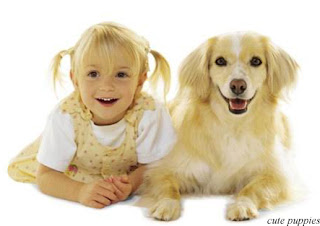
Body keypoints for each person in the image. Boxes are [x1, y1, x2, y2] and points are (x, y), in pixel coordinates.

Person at [8, 22, 176, 209]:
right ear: (75, 80)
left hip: (126, 173)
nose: (106, 86)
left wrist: (131, 183)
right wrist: (79, 191)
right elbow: (46, 175)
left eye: (121, 75)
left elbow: (156, 165)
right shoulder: (66, 116)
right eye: (93, 74)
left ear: (140, 81)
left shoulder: (150, 113)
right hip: (75, 171)